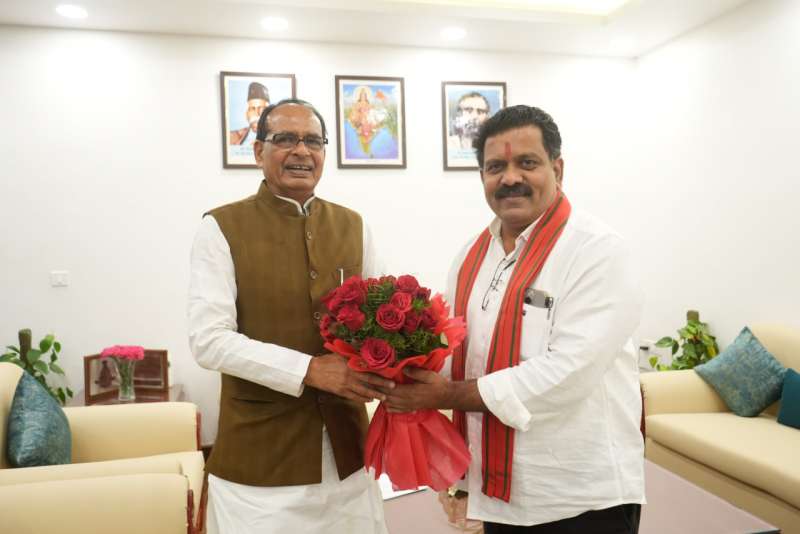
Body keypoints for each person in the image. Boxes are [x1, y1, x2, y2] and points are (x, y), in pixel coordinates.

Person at [384, 105, 645, 533]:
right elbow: (460, 353)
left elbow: (569, 373)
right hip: (498, 494)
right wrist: (397, 370)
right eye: (495, 167)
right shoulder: (471, 255)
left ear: (557, 169)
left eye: (527, 163)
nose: (510, 178)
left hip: (580, 495)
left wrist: (444, 394)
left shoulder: (597, 251)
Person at [189, 99, 393, 534]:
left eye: (313, 141)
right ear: (258, 151)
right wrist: (309, 370)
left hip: (349, 455)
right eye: (285, 139)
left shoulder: (353, 225)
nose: (302, 151)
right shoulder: (222, 227)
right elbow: (209, 340)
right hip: (261, 462)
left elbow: (378, 320)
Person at [228, 81, 270, 146]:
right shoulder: (232, 137)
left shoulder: (277, 138)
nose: (257, 114)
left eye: (262, 109)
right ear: (246, 114)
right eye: (252, 109)